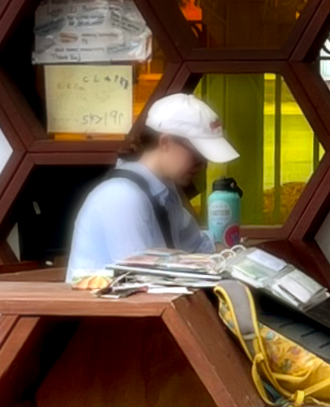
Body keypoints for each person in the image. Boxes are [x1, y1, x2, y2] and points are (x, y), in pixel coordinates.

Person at [66, 91, 240, 275]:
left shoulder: (165, 191)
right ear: (165, 142)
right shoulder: (122, 197)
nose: (203, 165)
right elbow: (143, 279)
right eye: (197, 156)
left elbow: (199, 247)